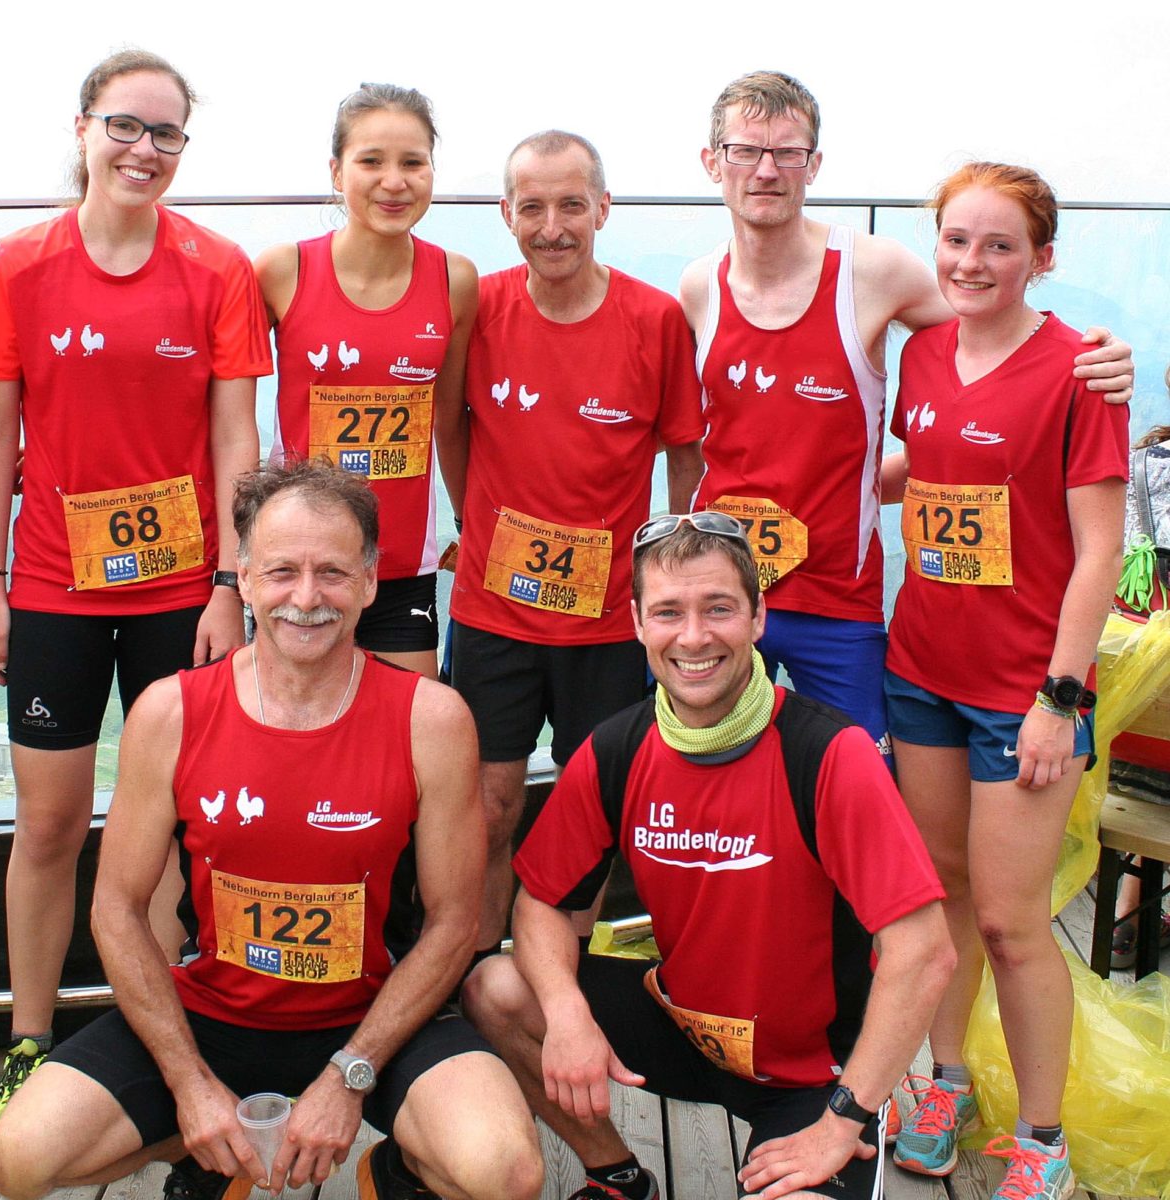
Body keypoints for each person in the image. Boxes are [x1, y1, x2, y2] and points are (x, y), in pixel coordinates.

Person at [0, 459, 542, 1200]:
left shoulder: (431, 720)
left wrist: (349, 1075)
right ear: (242, 578)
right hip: (209, 1015)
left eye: (332, 573)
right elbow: (115, 910)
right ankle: (210, 1151)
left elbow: (453, 923)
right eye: (281, 572)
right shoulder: (168, 712)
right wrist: (190, 1084)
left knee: (506, 1174)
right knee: (16, 1161)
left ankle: (395, 1171)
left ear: (371, 582)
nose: (306, 598)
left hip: (377, 1016)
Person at [463, 513, 954, 1200]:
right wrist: (568, 1012)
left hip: (813, 1077)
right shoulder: (617, 749)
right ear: (638, 623)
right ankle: (617, 1176)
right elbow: (543, 902)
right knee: (497, 988)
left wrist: (844, 1119)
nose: (693, 637)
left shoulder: (829, 754)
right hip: (681, 1026)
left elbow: (924, 951)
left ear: (758, 618)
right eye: (669, 612)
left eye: (718, 608)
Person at [0, 49, 271, 1125]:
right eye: (125, 126)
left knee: (181, 828)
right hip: (53, 585)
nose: (144, 149)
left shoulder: (217, 268)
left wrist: (232, 583)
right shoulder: (17, 264)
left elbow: (236, 435)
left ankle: (170, 1031)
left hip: (184, 592)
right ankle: (27, 1037)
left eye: (166, 133)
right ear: (84, 127)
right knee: (49, 824)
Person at [681, 70, 1133, 751]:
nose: (766, 170)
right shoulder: (697, 286)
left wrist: (1095, 357)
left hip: (838, 598)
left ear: (814, 164)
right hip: (725, 589)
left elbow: (989, 321)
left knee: (857, 782)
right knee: (714, 767)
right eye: (745, 150)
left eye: (788, 152)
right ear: (713, 162)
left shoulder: (877, 271)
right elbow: (684, 440)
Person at [880, 164, 1128, 1197]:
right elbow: (923, 470)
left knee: (1011, 923)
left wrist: (1059, 700)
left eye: (999, 245)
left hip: (1023, 693)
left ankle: (1043, 1139)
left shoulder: (1079, 371)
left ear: (1042, 259)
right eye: (956, 240)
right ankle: (946, 1085)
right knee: (941, 893)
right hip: (920, 671)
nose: (971, 262)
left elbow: (1100, 550)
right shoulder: (924, 353)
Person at [437, 131, 704, 953]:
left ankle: (560, 975)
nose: (552, 227)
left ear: (603, 209)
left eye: (571, 206)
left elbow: (684, 452)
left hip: (606, 621)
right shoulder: (480, 308)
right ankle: (477, 970)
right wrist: (470, 524)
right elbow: (450, 425)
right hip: (492, 611)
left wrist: (670, 569)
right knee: (488, 806)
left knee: (593, 811)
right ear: (506, 214)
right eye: (533, 208)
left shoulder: (655, 319)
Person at [255, 82, 478, 679]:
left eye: (413, 163)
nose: (394, 182)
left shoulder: (454, 280)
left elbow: (450, 420)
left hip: (401, 562)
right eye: (371, 161)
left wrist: (467, 523)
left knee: (408, 724)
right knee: (292, 719)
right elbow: (222, 406)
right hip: (296, 562)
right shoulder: (281, 271)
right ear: (337, 171)